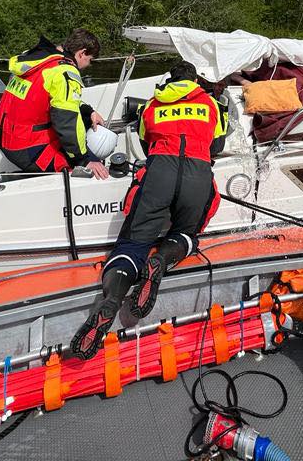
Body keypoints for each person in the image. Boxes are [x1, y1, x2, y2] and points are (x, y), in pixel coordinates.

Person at [70, 60, 228, 359]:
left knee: (131, 245)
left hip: (159, 173)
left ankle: (112, 299)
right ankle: (162, 260)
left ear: (170, 80)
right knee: (188, 234)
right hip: (197, 174)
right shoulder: (212, 105)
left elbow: (144, 144)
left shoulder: (151, 106)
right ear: (195, 81)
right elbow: (216, 146)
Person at [0, 30, 110, 180]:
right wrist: (85, 161)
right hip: (27, 147)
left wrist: (88, 111)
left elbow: (51, 97)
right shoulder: (64, 71)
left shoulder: (38, 60)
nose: (88, 64)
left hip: (6, 138)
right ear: (82, 53)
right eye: (90, 60)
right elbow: (66, 122)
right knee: (88, 169)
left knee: (82, 121)